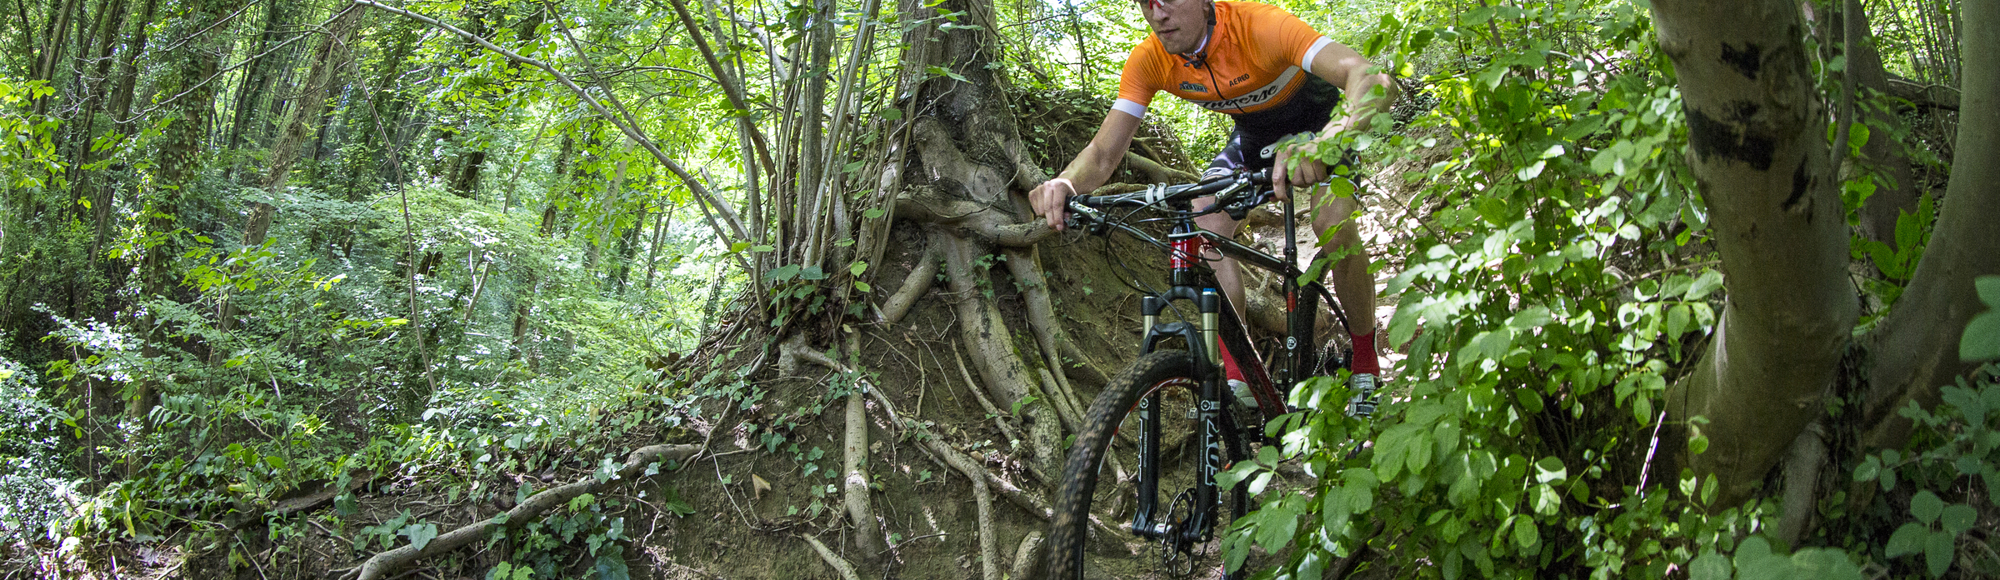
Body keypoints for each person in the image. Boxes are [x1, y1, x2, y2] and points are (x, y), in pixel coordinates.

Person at [1027, 0, 1398, 414]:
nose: (1157, 13)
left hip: (1323, 124)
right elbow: (1102, 155)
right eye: (1145, 2)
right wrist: (1065, 182)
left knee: (1333, 224)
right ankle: (1242, 377)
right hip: (1255, 140)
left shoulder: (1260, 27)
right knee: (1204, 222)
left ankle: (1366, 363)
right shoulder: (1151, 59)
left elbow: (1373, 79)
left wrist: (1329, 141)